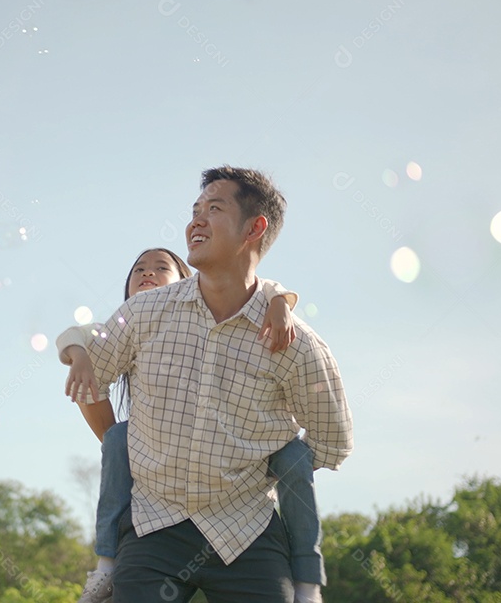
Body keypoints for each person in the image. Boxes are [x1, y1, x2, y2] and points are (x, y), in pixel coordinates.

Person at [58, 167, 354, 603]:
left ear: (254, 228)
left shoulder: (297, 345)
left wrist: (268, 464)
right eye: (195, 210)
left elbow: (333, 443)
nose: (195, 220)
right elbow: (91, 372)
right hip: (153, 525)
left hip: (247, 531)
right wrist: (123, 440)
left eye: (213, 209)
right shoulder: (144, 313)